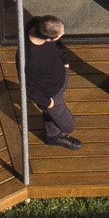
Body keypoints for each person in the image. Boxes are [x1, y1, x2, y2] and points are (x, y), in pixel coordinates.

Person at [24, 15, 79, 149]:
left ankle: (52, 135)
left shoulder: (38, 25)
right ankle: (54, 137)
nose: (62, 35)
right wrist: (47, 103)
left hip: (59, 77)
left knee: (51, 113)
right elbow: (28, 88)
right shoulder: (31, 60)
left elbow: (57, 47)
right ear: (48, 39)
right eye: (59, 35)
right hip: (50, 95)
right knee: (69, 126)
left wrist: (65, 61)